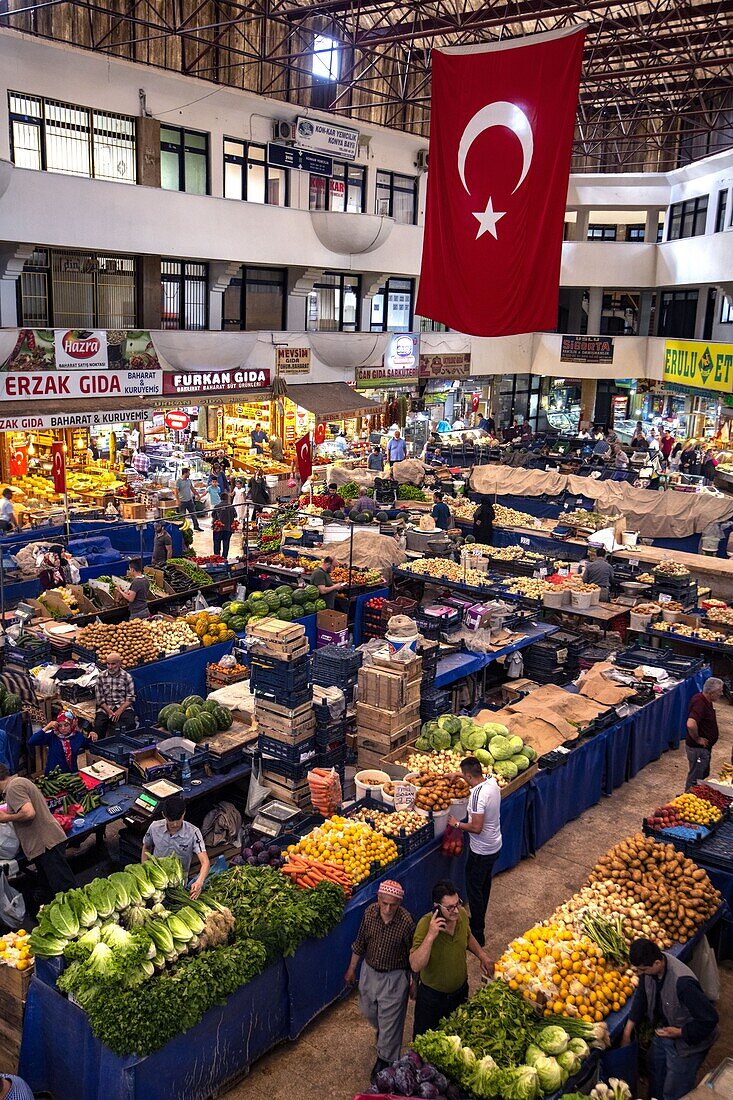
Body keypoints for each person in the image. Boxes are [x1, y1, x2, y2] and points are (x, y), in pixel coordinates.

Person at [622, 938, 719, 1100]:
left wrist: (680, 1032)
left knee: (674, 1090)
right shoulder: (649, 971)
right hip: (665, 1030)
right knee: (655, 1069)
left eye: (643, 970)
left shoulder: (683, 983)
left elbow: (709, 1019)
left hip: (688, 1042)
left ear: (657, 963)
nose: (640, 973)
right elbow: (642, 997)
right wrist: (627, 1031)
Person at [345, 880, 415, 1080]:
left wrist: (414, 982)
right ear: (378, 899)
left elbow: (413, 954)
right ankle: (384, 1036)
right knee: (369, 1011)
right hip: (370, 972)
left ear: (399, 903)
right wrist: (351, 969)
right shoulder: (369, 913)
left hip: (394, 977)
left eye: (393, 904)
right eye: (384, 903)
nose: (388, 908)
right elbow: (360, 943)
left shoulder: (406, 922)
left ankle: (385, 1060)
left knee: (391, 1020)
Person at [410, 879, 493, 1037]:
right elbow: (415, 965)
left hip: (459, 993)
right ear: (437, 907)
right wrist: (430, 936)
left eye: (458, 903)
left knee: (457, 1038)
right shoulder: (425, 925)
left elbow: (467, 936)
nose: (455, 910)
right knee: (424, 1042)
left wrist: (483, 956)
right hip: (432, 999)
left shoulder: (460, 914)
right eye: (450, 908)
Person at [0, 763, 76, 898]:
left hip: (46, 844)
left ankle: (79, 913)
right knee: (50, 887)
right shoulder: (18, 783)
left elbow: (29, 813)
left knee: (65, 889)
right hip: (44, 845)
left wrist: (6, 817)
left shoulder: (13, 787)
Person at [447, 758, 502, 947]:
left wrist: (456, 824)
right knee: (484, 886)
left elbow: (476, 827)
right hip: (495, 845)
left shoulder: (478, 795)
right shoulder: (491, 782)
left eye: (465, 775)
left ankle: (478, 933)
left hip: (481, 851)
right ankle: (479, 922)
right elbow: (474, 776)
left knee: (474, 891)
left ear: (470, 775)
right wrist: (459, 775)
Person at [142, 794, 210, 899]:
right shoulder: (154, 827)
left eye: (178, 819)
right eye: (170, 820)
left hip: (179, 881)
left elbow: (205, 862)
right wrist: (145, 868)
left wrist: (199, 882)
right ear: (163, 815)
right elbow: (146, 847)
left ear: (184, 813)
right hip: (156, 877)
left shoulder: (193, 832)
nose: (174, 824)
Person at [29, 709, 98, 774]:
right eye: (60, 725)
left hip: (70, 774)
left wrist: (93, 736)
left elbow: (88, 745)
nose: (63, 728)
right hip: (53, 774)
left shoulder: (77, 736)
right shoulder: (52, 735)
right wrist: (47, 727)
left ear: (72, 724)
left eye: (66, 725)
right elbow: (32, 741)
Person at [685, 677, 723, 790]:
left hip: (704, 749)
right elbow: (690, 724)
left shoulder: (706, 700)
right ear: (711, 692)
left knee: (702, 773)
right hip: (698, 749)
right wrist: (697, 739)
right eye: (719, 691)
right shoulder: (700, 703)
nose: (721, 694)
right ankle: (688, 798)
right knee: (695, 778)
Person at [94, 651, 137, 737]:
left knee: (130, 724)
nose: (110, 667)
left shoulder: (127, 677)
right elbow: (100, 699)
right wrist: (109, 711)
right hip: (105, 707)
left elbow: (130, 698)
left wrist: (119, 711)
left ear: (119, 663)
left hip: (122, 707)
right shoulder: (101, 676)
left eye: (113, 664)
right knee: (98, 726)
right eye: (108, 664)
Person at [212, 492, 236, 558]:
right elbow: (235, 515)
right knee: (226, 544)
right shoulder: (231, 507)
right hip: (228, 528)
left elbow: (213, 515)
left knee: (217, 544)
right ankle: (224, 558)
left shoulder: (216, 506)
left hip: (218, 529)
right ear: (227, 498)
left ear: (220, 498)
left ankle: (217, 558)